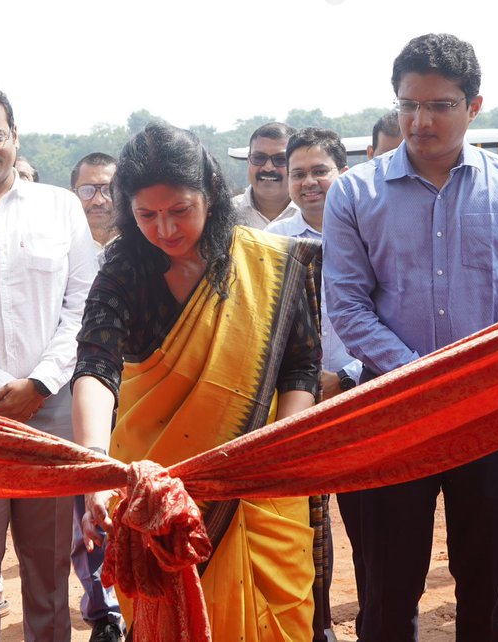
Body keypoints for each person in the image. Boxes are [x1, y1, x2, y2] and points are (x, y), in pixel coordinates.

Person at [324, 33, 498, 641]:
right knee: (388, 585)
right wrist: (420, 379)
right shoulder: (354, 192)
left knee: (487, 583)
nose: (420, 121)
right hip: (393, 409)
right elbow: (347, 305)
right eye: (409, 105)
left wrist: (474, 380)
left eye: (440, 106)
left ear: (474, 106)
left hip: (492, 410)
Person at [75, 122, 321, 640]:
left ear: (210, 192)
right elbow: (96, 365)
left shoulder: (269, 264)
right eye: (146, 215)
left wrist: (276, 450)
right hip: (154, 493)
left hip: (259, 481)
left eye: (180, 210)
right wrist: (96, 463)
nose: (165, 229)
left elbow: (300, 366)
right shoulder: (122, 271)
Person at [0, 82, 98, 642]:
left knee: (49, 561)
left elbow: (82, 305)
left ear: (15, 135)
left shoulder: (60, 207)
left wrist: (40, 381)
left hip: (50, 410)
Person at [266, 126, 351, 642]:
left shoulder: (368, 228)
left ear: (344, 172)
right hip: (300, 396)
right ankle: (316, 623)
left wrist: (349, 375)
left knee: (371, 516)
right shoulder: (276, 242)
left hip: (363, 388)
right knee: (306, 519)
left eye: (320, 170)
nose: (309, 182)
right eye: (298, 173)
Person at [66, 150, 126, 638]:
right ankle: (103, 611)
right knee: (88, 506)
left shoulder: (144, 245)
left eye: (108, 188)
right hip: (79, 392)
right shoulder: (63, 246)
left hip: (135, 393)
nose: (99, 199)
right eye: (88, 189)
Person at [231, 122, 299, 229]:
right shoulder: (228, 213)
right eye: (259, 158)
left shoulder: (314, 214)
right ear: (248, 161)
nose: (268, 167)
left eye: (280, 159)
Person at [71, 152, 118, 255]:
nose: (98, 201)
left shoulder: (143, 245)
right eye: (87, 191)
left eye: (108, 190)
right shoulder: (59, 246)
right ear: (72, 195)